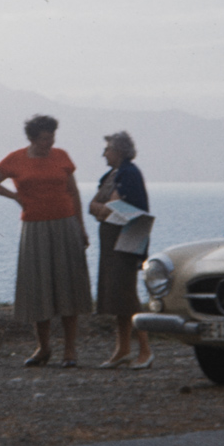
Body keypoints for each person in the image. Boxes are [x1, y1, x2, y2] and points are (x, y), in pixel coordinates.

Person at [0, 114, 92, 367]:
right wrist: (15, 197)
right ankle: (43, 348)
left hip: (65, 225)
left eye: (52, 137)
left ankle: (70, 351)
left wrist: (81, 227)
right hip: (34, 228)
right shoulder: (15, 159)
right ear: (32, 138)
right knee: (38, 288)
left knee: (68, 287)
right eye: (44, 138)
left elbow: (73, 192)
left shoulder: (61, 156)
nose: (50, 142)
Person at [90, 131, 153, 369]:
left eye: (107, 149)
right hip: (113, 241)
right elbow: (93, 206)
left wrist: (102, 208)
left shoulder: (128, 173)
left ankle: (145, 350)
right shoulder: (111, 175)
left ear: (118, 151)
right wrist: (102, 208)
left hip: (127, 240)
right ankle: (123, 349)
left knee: (127, 296)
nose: (103, 154)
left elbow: (109, 208)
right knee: (117, 296)